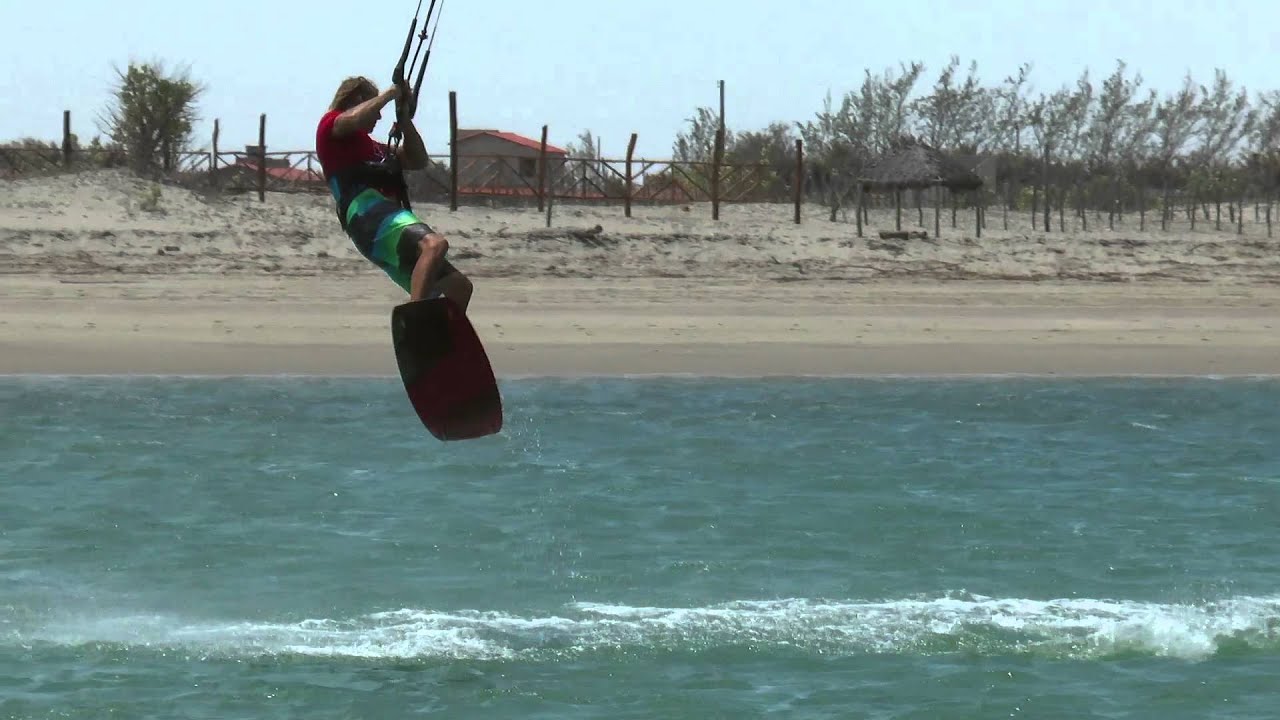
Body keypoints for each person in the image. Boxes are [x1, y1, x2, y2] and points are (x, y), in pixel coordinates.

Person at [315, 76, 472, 310]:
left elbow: (418, 160)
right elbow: (356, 117)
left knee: (459, 287)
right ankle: (416, 322)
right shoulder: (331, 126)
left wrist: (405, 120)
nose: (379, 116)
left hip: (382, 224)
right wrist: (390, 94)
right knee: (434, 245)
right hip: (364, 213)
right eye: (375, 107)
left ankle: (433, 342)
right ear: (357, 100)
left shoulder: (374, 147)